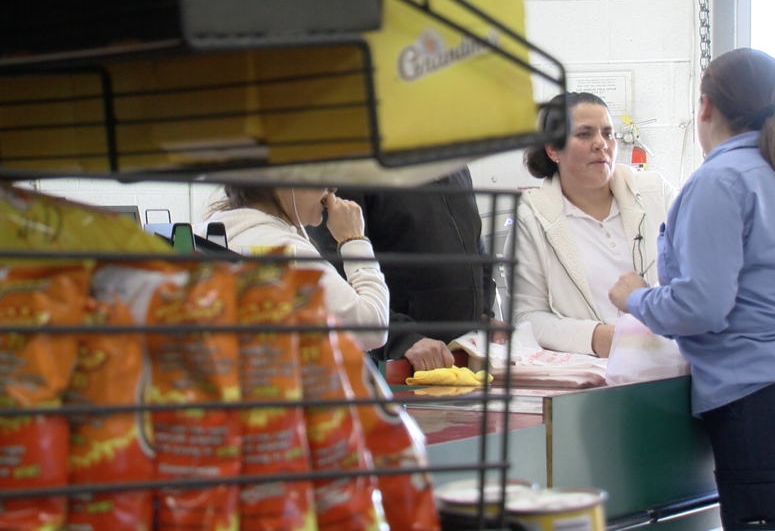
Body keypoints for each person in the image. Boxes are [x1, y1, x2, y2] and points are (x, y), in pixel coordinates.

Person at [608, 48, 775, 531]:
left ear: (705, 106)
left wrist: (635, 298)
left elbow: (702, 305)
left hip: (771, 407)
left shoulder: (720, 180)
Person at [507, 91, 677, 357]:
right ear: (553, 149)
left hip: (667, 361)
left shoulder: (655, 192)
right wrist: (595, 337)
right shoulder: (533, 219)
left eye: (608, 133)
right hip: (591, 374)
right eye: (585, 134)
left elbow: (697, 278)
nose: (601, 144)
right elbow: (525, 316)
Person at [309, 168, 503, 372]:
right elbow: (336, 268)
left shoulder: (454, 166)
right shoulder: (355, 168)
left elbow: (474, 245)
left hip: (465, 352)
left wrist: (480, 310)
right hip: (400, 360)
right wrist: (402, 339)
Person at [198, 185, 389, 351]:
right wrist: (354, 239)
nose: (331, 190)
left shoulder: (204, 232)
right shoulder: (288, 251)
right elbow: (372, 327)